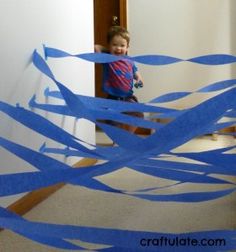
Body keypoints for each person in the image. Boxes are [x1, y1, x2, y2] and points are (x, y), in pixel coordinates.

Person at [95, 26, 144, 133]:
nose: (118, 48)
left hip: (128, 97)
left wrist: (139, 79)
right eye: (114, 45)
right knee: (112, 121)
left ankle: (128, 136)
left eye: (122, 45)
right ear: (109, 45)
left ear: (127, 47)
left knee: (138, 115)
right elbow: (96, 47)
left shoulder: (130, 61)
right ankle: (116, 139)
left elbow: (136, 73)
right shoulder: (107, 59)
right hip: (113, 97)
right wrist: (108, 50)